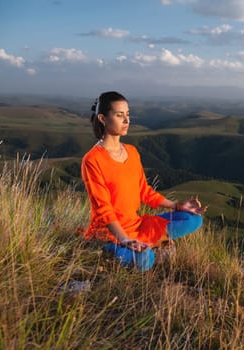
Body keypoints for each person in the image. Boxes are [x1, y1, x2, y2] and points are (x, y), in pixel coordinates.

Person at [80, 91, 206, 271]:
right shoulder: (92, 160)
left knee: (193, 219)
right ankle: (112, 251)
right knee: (145, 259)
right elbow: (103, 209)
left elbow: (144, 191)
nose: (126, 120)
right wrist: (124, 239)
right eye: (119, 115)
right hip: (109, 234)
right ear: (102, 118)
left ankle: (142, 244)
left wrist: (177, 206)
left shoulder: (131, 151)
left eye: (128, 115)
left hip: (137, 224)